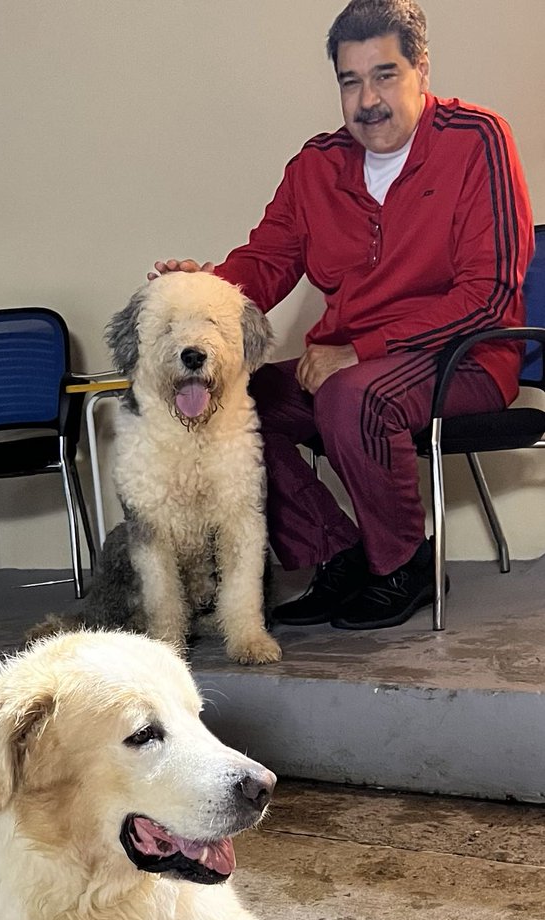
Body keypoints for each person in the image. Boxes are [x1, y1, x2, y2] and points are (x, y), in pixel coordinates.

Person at [151, 0, 534, 630]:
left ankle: (404, 565)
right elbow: (266, 260)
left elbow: (488, 294)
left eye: (385, 75)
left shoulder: (478, 140)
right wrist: (200, 289)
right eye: (350, 81)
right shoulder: (316, 165)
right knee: (229, 400)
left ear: (422, 70)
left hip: (464, 359)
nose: (367, 100)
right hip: (349, 366)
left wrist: (362, 352)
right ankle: (338, 554)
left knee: (351, 396)